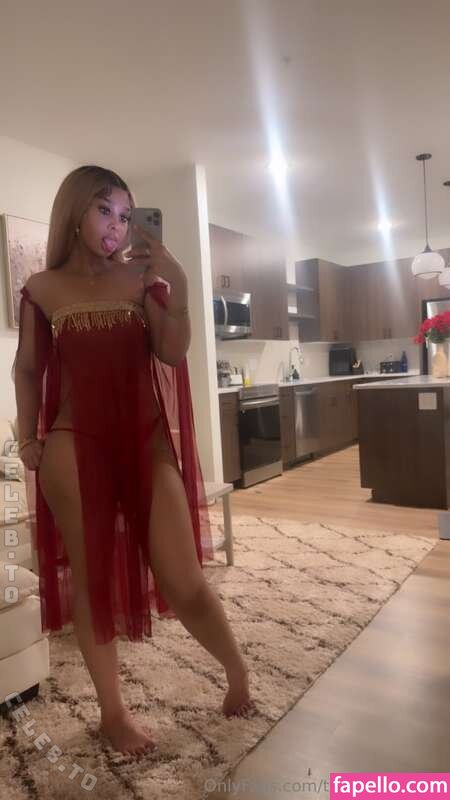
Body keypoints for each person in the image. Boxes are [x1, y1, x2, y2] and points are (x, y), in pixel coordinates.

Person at [13, 165, 254, 757]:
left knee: (183, 577)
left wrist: (179, 284)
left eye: (125, 215)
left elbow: (172, 351)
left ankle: (237, 670)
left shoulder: (142, 277)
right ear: (75, 212)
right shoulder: (42, 289)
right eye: (105, 211)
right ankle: (113, 715)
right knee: (91, 579)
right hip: (73, 444)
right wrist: (27, 438)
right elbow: (27, 369)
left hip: (145, 440)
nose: (117, 226)